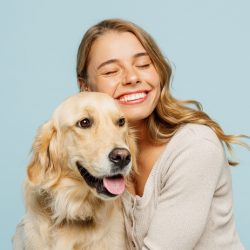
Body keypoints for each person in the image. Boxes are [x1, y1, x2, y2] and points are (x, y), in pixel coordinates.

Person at [13, 18, 248, 249]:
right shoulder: (88, 166)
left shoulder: (196, 148)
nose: (133, 78)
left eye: (144, 65)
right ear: (85, 87)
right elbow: (28, 232)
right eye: (111, 71)